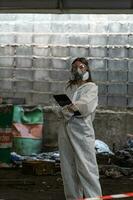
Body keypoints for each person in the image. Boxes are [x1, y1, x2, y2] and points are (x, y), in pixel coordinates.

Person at [57, 57, 102, 200]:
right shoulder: (68, 87)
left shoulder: (91, 87)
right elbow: (60, 106)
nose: (77, 69)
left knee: (86, 167)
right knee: (68, 168)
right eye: (74, 67)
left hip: (82, 131)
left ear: (87, 68)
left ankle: (93, 197)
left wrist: (69, 109)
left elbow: (84, 106)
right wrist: (67, 109)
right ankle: (73, 197)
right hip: (65, 129)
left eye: (80, 66)